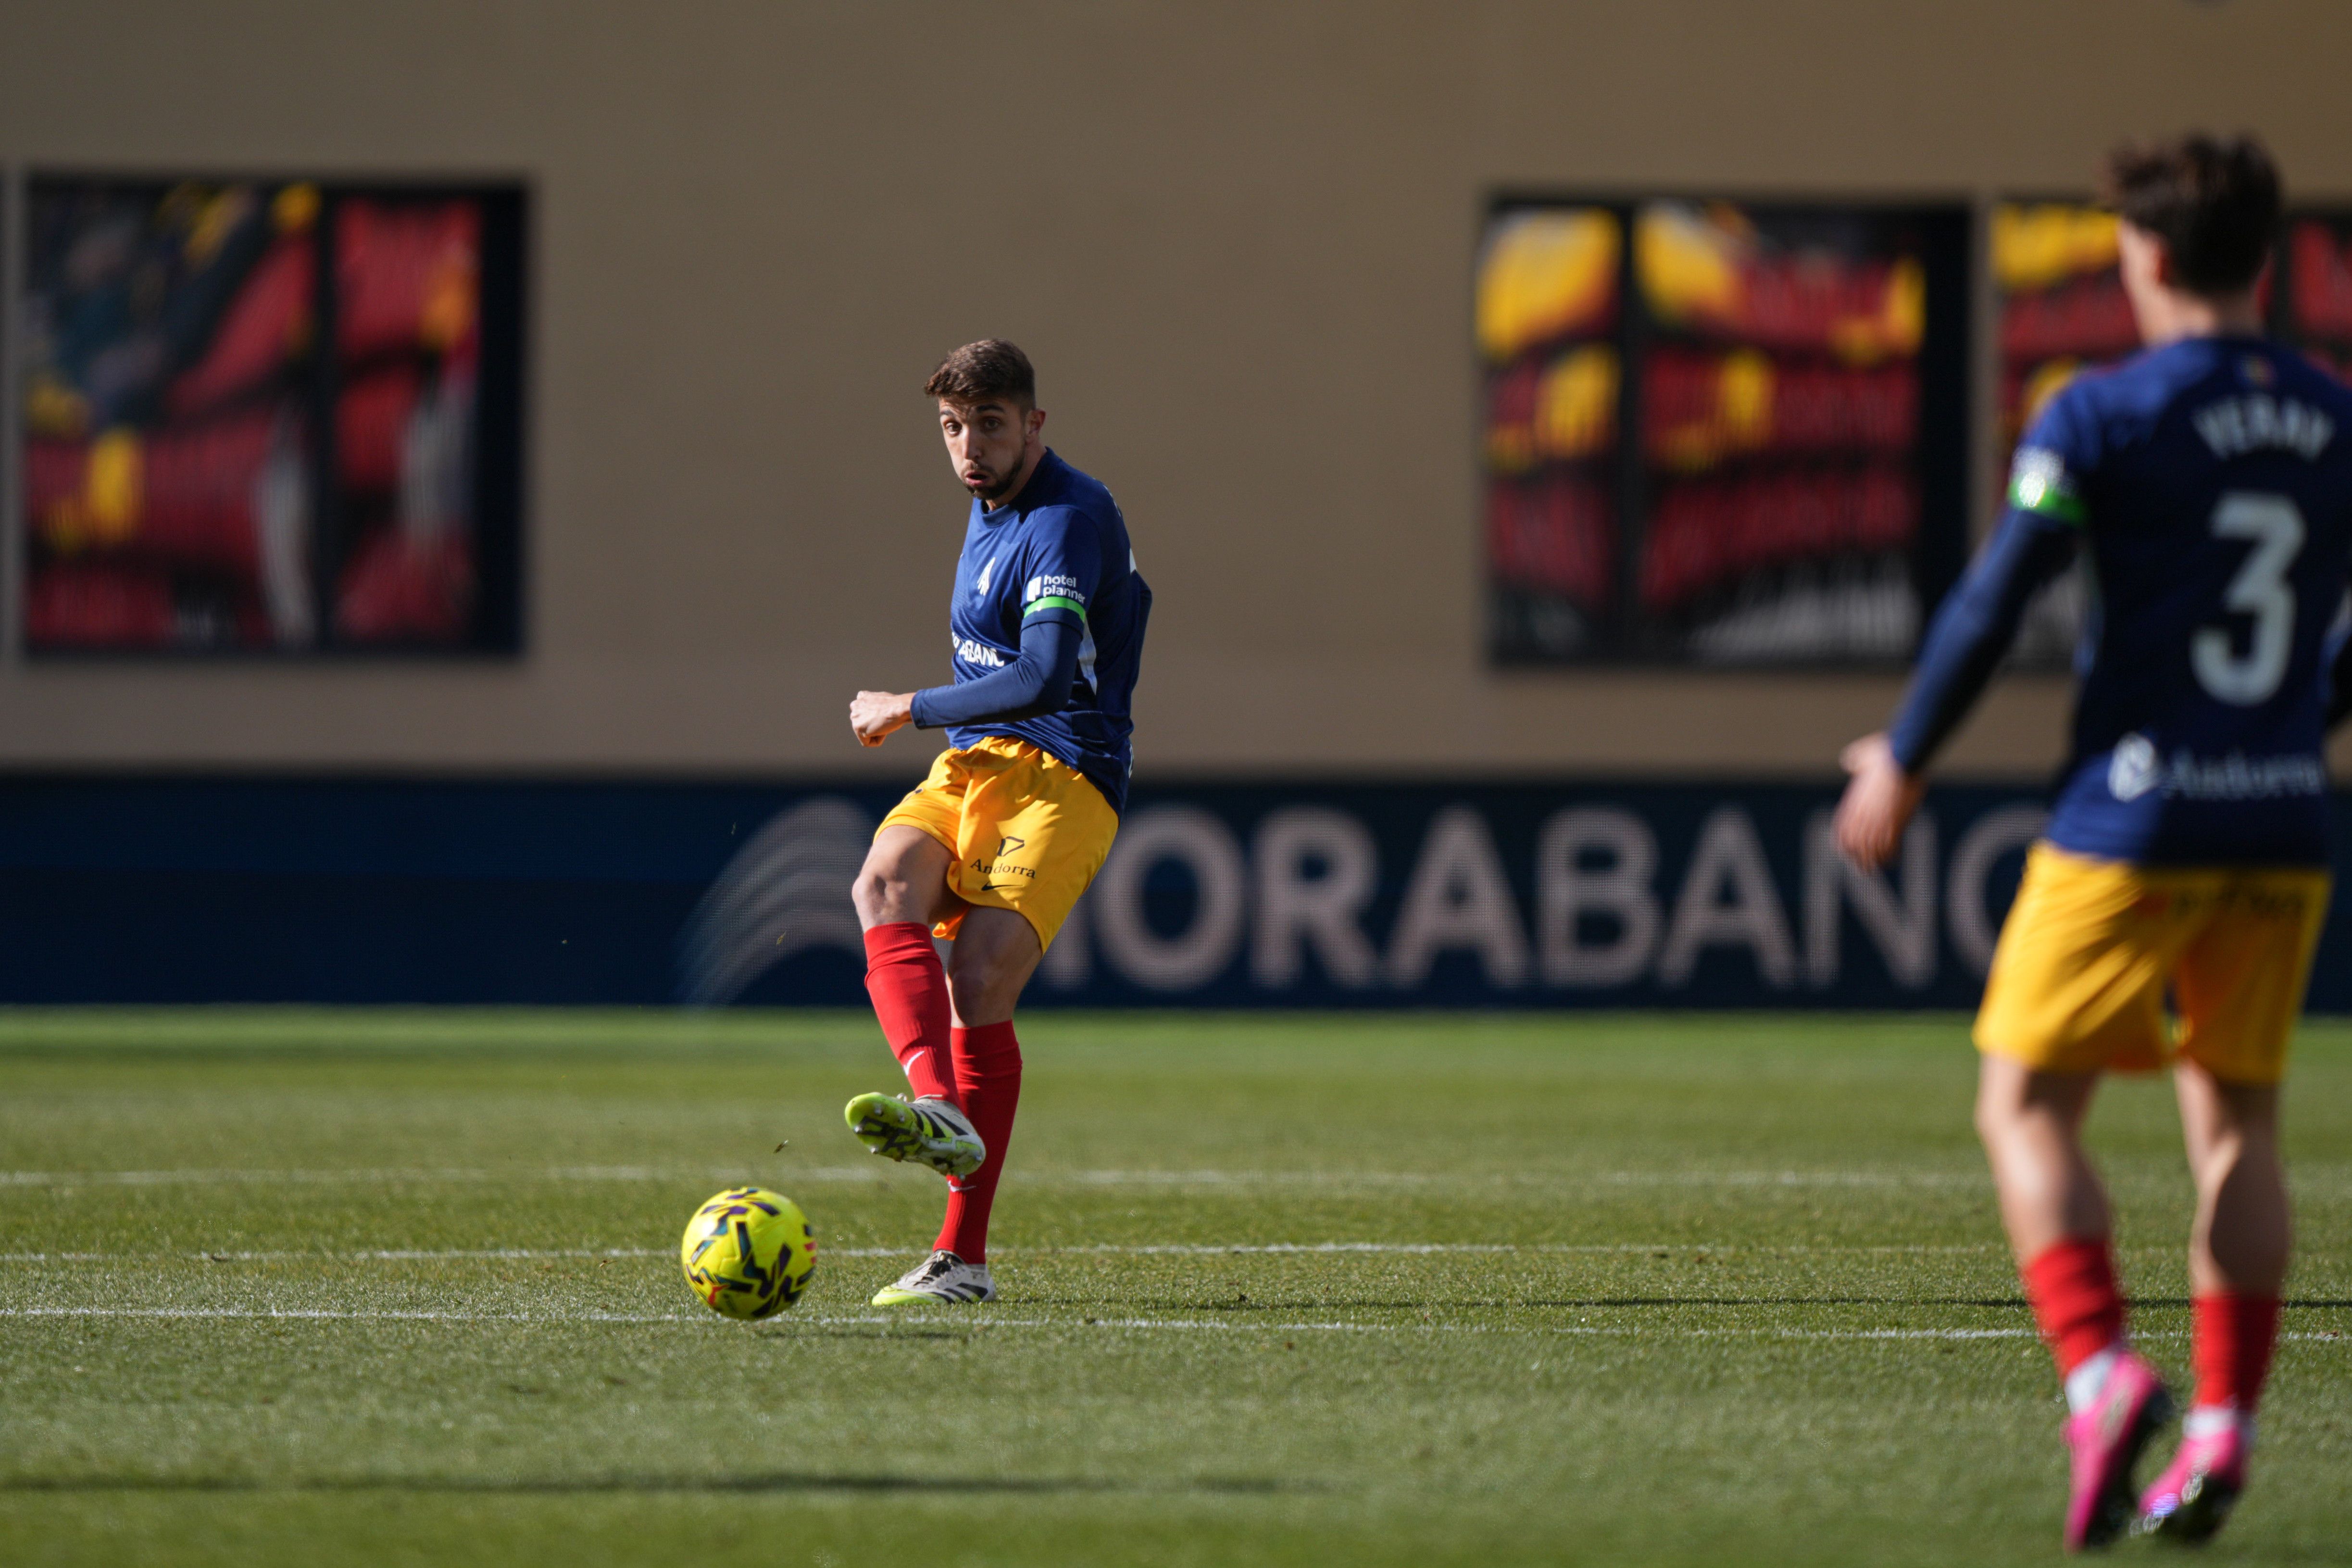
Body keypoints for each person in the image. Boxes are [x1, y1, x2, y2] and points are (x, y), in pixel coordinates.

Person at [1835, 134, 2352, 1551]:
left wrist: (1902, 756)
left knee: (2022, 1106)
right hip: (2279, 813)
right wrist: (2298, 722)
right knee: (2239, 1123)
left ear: (2149, 259)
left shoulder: (2097, 412)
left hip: (2133, 813)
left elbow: (1996, 597)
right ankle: (2224, 1428)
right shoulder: (2334, 415)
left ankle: (2100, 1373)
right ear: (2263, 261)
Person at [843, 339, 1150, 1307]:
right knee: (881, 881)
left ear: (1033, 423)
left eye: (989, 423)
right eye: (952, 427)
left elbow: (1046, 676)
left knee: (977, 975)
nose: (969, 446)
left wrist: (909, 705)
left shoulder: (1067, 518)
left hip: (1067, 769)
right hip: (978, 759)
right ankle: (935, 1101)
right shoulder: (989, 507)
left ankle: (961, 1256)